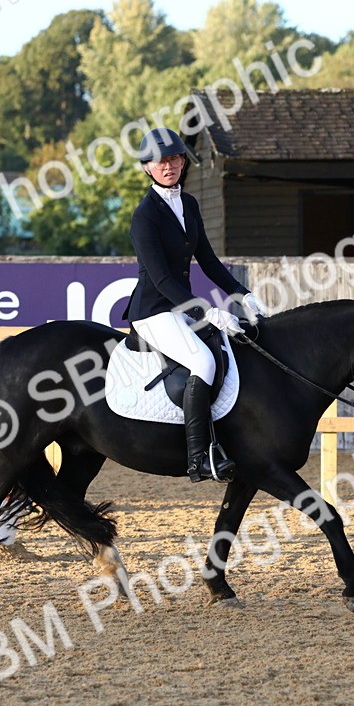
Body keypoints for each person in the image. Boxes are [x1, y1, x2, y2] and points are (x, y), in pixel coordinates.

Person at [123, 128, 270, 483]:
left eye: (174, 158)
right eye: (160, 161)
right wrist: (206, 311)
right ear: (147, 167)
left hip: (179, 308)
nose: (168, 165)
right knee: (202, 361)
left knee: (232, 349)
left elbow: (207, 260)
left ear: (183, 161)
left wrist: (241, 293)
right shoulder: (145, 216)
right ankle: (198, 457)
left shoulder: (188, 204)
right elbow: (161, 281)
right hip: (154, 312)